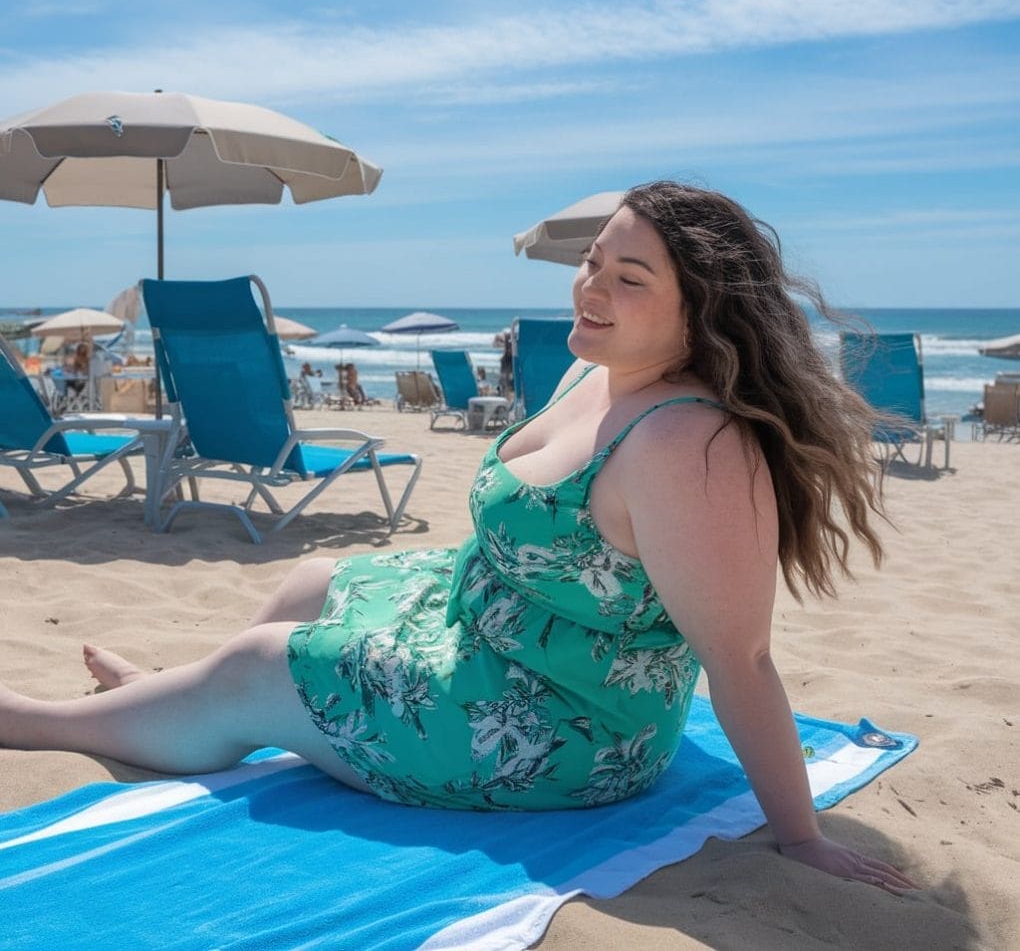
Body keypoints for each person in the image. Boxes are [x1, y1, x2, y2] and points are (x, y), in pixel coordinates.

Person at [0, 182, 914, 893]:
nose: (591, 289)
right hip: (487, 625)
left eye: (629, 279)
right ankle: (167, 705)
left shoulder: (688, 443)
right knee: (311, 581)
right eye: (593, 262)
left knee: (259, 664)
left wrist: (799, 836)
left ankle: (49, 722)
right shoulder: (598, 371)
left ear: (702, 310)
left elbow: (742, 657)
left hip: (563, 722)